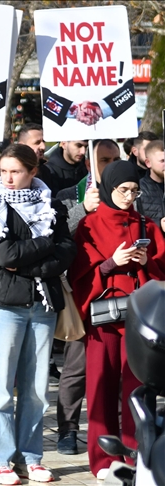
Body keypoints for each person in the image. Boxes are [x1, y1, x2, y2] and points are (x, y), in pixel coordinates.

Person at [0, 144, 75, 484]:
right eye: (3, 170)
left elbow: (66, 251)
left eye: (15, 171)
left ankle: (31, 456)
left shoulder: (51, 205)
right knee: (1, 387)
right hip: (5, 306)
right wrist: (44, 245)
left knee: (35, 389)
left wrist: (33, 263)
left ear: (33, 171)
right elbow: (4, 255)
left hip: (42, 305)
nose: (8, 178)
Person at [69, 160, 165, 480]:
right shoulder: (90, 224)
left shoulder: (146, 224)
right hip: (103, 318)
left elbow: (160, 275)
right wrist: (111, 264)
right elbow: (79, 273)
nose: (128, 196)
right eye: (123, 190)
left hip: (138, 319)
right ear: (109, 188)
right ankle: (101, 459)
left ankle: (137, 453)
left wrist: (143, 261)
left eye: (134, 190)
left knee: (137, 388)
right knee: (100, 385)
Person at [52, 138, 121, 456]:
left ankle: (117, 429)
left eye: (115, 159)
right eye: (105, 160)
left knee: (120, 367)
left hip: (119, 296)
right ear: (89, 163)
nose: (112, 166)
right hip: (83, 292)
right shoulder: (69, 195)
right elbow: (59, 234)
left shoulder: (126, 195)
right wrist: (84, 209)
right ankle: (67, 428)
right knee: (75, 367)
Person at [136, 140, 164, 233]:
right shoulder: (139, 189)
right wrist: (159, 224)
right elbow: (136, 222)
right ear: (148, 163)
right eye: (162, 161)